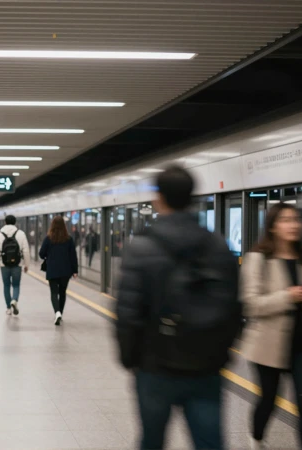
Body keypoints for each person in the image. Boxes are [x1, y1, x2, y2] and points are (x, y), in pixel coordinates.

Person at [115, 166, 240, 450]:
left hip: (154, 366)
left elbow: (127, 313)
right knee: (209, 443)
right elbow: (234, 309)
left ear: (158, 198)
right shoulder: (219, 246)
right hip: (205, 367)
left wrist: (130, 359)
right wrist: (221, 355)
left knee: (152, 441)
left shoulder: (142, 248)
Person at [240, 202, 302, 450]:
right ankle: (256, 439)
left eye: (296, 219)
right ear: (273, 226)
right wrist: (289, 295)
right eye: (286, 220)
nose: (294, 225)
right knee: (269, 399)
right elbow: (251, 304)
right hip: (268, 345)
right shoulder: (258, 258)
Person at [39, 215, 78, 325]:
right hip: (66, 271)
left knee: (53, 292)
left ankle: (57, 313)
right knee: (62, 292)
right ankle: (60, 312)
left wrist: (49, 255)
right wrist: (75, 271)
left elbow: (41, 254)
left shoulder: (48, 238)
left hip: (52, 270)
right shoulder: (69, 239)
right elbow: (73, 256)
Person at [0, 215, 30, 315]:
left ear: (5, 222)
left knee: (6, 285)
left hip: (4, 264)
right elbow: (26, 250)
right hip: (17, 264)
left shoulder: (0, 235)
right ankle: (14, 300)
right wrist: (27, 264)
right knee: (16, 285)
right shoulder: (21, 234)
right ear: (15, 222)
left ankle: (8, 308)